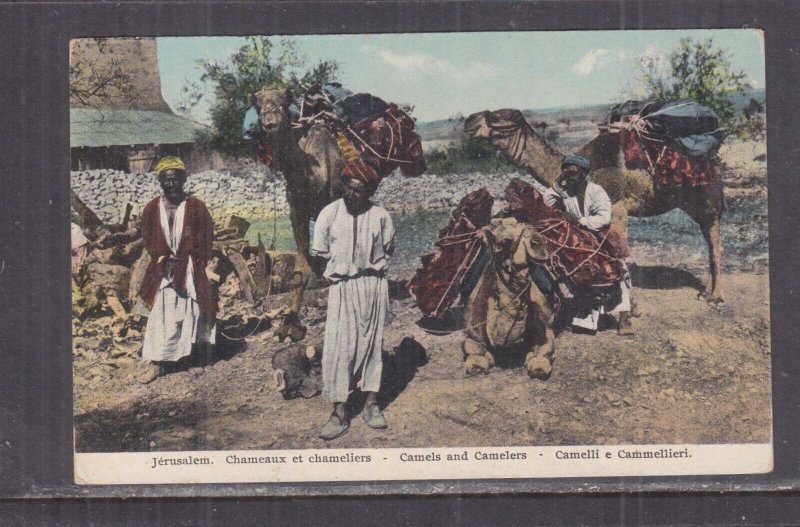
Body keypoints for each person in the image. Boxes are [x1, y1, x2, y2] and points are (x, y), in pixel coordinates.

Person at [310, 173, 395, 440]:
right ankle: (339, 412)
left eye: (358, 190)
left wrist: (365, 268)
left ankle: (371, 403)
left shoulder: (380, 215)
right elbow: (319, 254)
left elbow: (388, 248)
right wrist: (338, 273)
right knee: (338, 348)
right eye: (347, 189)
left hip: (372, 285)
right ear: (341, 188)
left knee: (371, 345)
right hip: (342, 287)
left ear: (368, 191)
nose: (351, 195)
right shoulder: (329, 214)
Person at [138, 156, 217, 384]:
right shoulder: (152, 208)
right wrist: (164, 258)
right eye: (166, 180)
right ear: (160, 181)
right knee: (163, 313)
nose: (171, 184)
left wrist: (194, 262)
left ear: (183, 179)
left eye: (175, 179)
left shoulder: (196, 207)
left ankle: (191, 358)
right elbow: (148, 237)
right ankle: (161, 363)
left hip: (190, 267)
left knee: (191, 310)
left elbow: (206, 237)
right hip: (164, 268)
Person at [544, 154, 634, 335]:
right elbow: (546, 201)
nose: (569, 178)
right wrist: (557, 184)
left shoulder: (596, 191)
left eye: (573, 174)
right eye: (565, 174)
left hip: (599, 235)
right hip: (578, 238)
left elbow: (603, 218)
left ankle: (625, 317)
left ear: (583, 174)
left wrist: (578, 220)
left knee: (616, 269)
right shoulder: (565, 192)